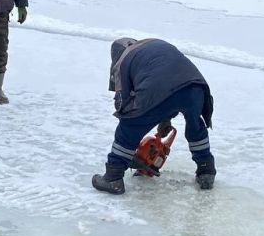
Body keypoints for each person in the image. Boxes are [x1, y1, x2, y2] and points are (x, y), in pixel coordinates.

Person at [92, 38, 216, 195]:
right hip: (196, 87)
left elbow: (123, 104)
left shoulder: (122, 61)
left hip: (159, 89)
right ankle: (206, 170)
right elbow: (171, 80)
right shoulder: (153, 45)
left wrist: (135, 123)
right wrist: (165, 118)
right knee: (195, 125)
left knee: (129, 125)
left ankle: (113, 177)